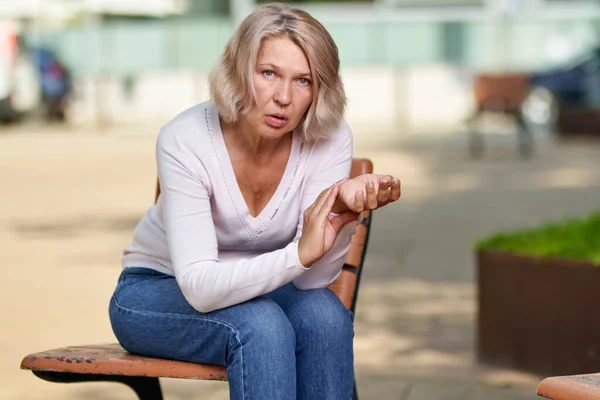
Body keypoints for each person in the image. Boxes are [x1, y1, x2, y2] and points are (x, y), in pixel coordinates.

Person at [108, 3, 401, 400]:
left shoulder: (328, 139)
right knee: (261, 326)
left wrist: (337, 216)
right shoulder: (186, 138)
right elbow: (199, 287)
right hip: (157, 291)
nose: (283, 97)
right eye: (269, 73)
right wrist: (297, 254)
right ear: (239, 71)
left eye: (303, 81)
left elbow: (311, 280)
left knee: (325, 317)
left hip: (265, 292)